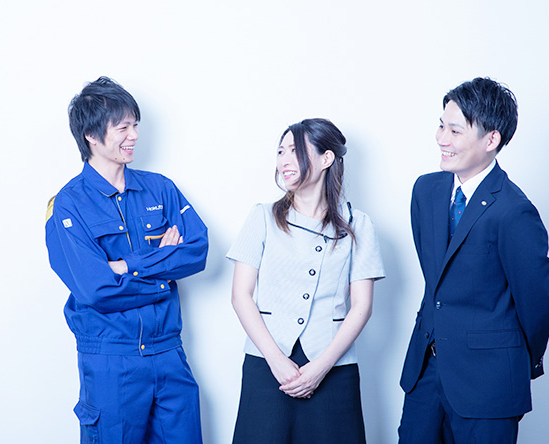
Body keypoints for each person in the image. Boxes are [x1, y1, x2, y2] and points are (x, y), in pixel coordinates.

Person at [45, 76, 208, 443]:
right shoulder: (68, 205)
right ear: (91, 134)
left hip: (169, 354)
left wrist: (126, 266)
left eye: (135, 125)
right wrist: (163, 270)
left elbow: (197, 251)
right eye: (122, 127)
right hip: (111, 361)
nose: (134, 135)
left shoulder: (160, 188)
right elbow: (95, 289)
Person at [398, 77, 549, 443]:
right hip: (425, 373)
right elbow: (436, 278)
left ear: (491, 140)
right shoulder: (426, 190)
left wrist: (512, 360)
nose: (441, 139)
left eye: (455, 130)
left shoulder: (514, 211)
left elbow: (537, 305)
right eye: (441, 126)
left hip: (488, 381)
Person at [227, 118, 384, 443]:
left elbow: (362, 306)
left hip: (333, 366)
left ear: (327, 158)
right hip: (267, 363)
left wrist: (321, 367)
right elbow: (241, 295)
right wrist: (276, 361)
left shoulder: (358, 224)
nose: (284, 160)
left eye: (294, 151)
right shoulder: (262, 217)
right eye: (280, 151)